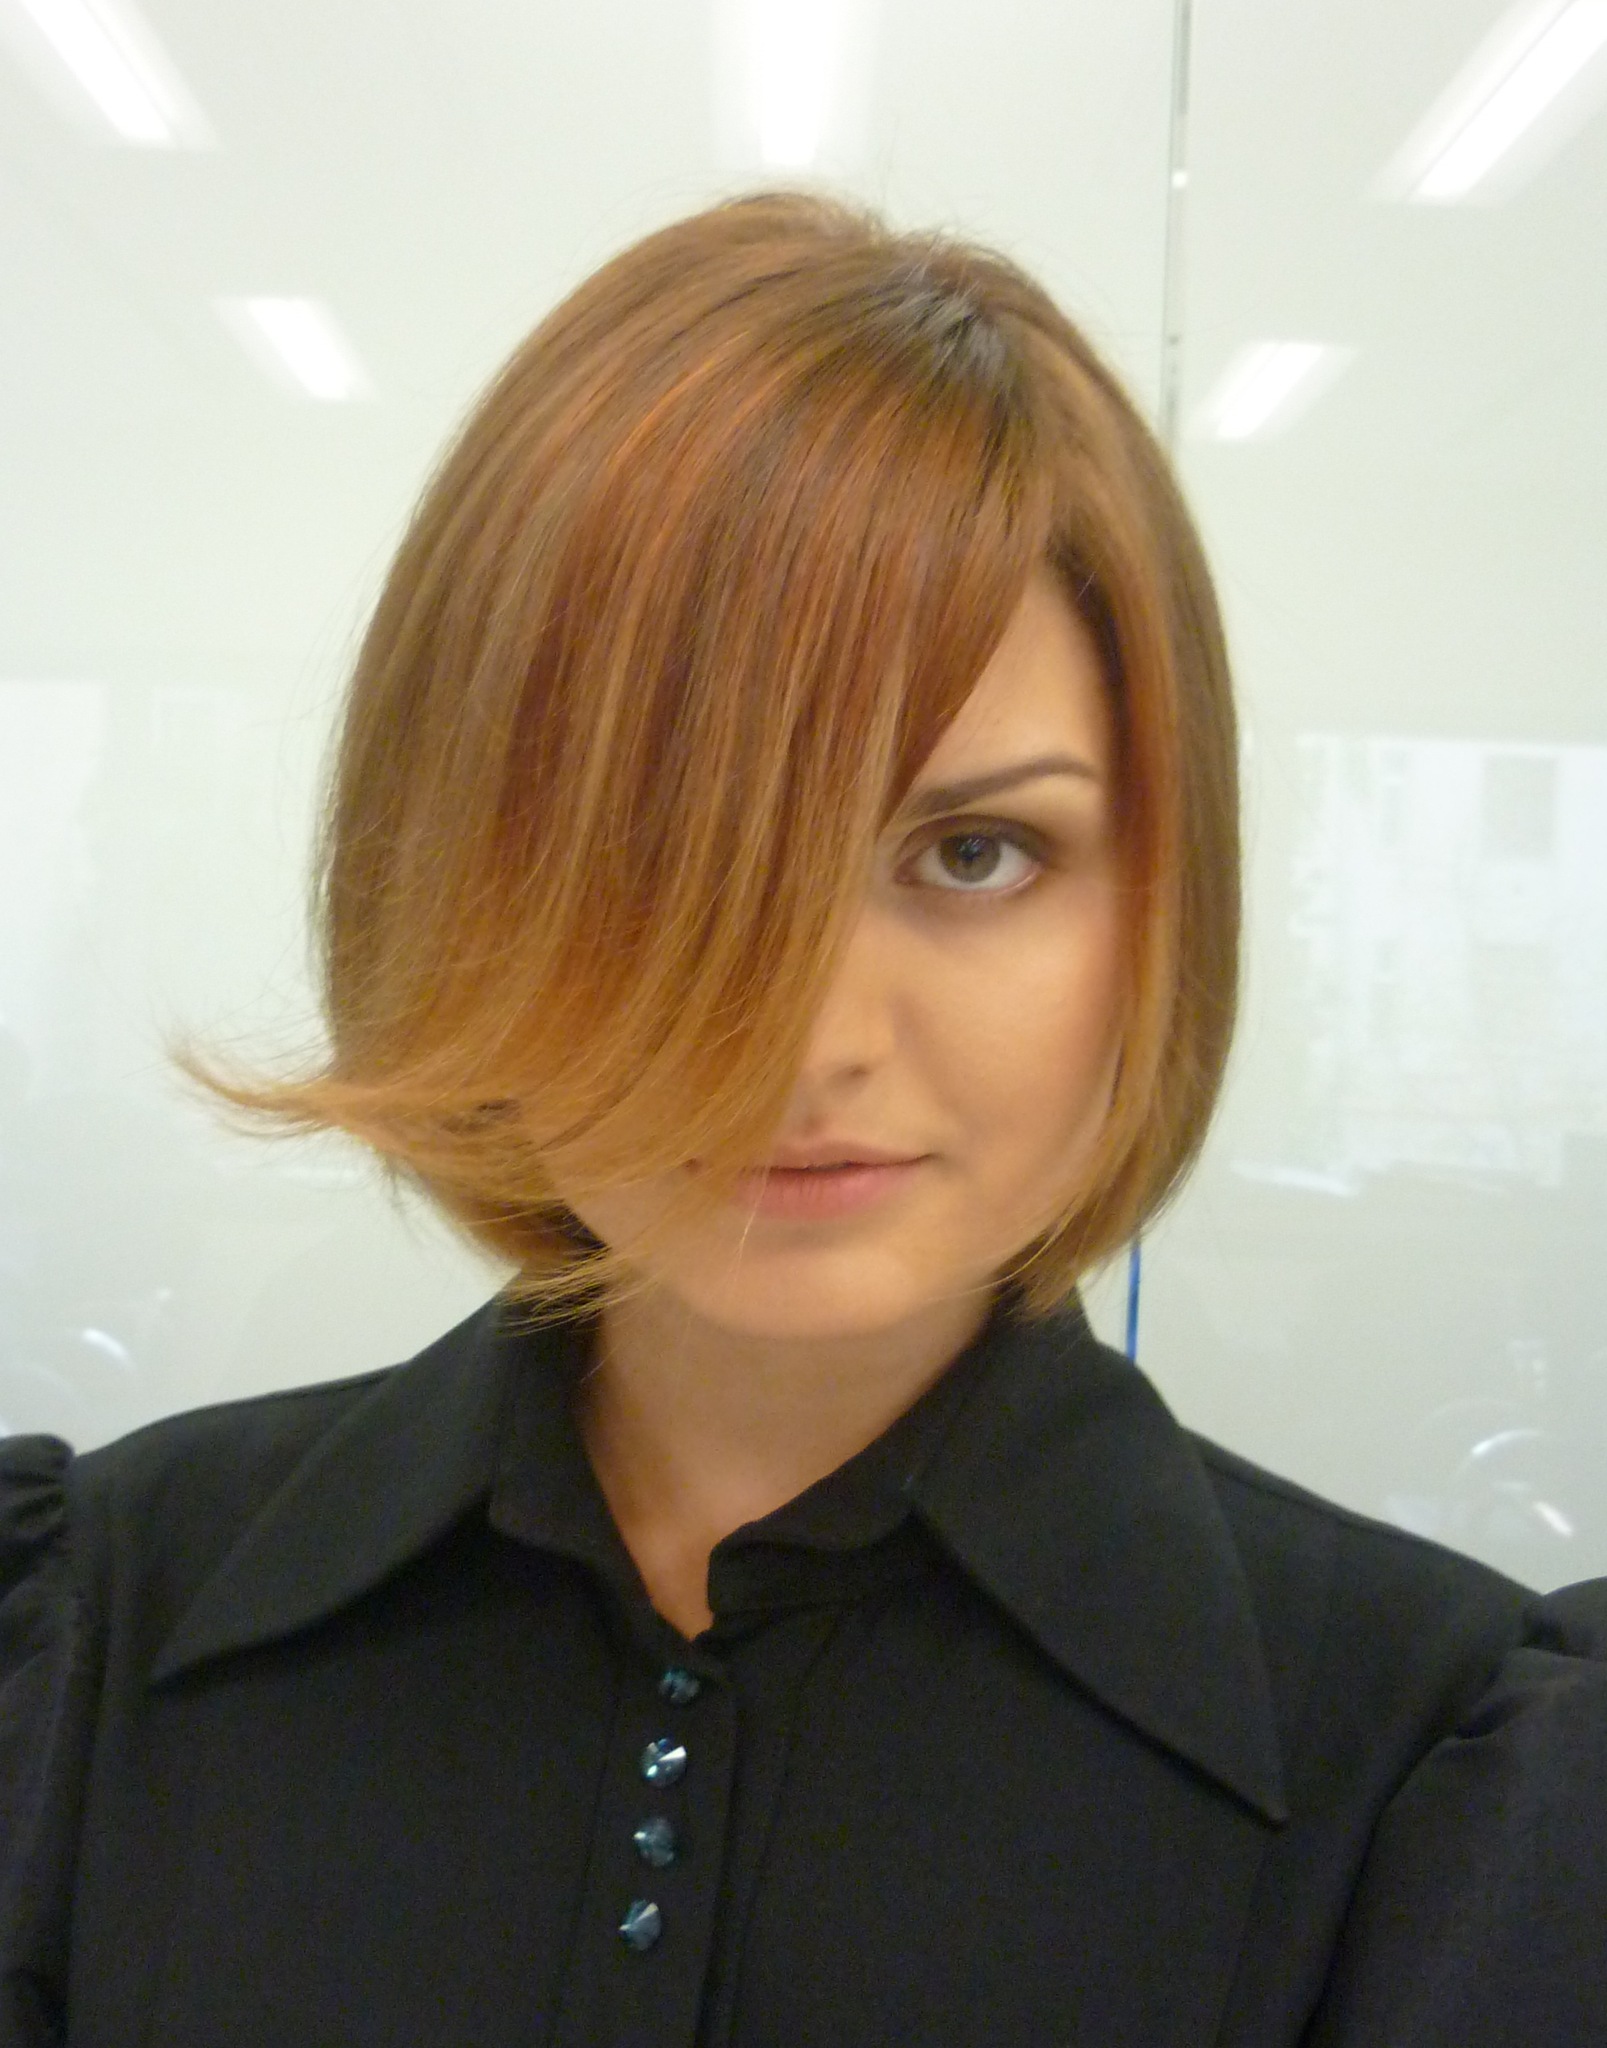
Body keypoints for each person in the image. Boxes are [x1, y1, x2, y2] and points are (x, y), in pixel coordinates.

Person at [1, 190, 1603, 2048]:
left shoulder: (1432, 1780)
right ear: (449, 880)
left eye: (975, 852)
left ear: (1161, 899)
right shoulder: (89, 1650)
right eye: (655, 852)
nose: (803, 1037)